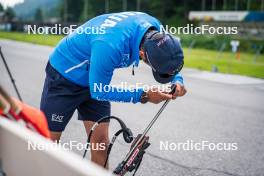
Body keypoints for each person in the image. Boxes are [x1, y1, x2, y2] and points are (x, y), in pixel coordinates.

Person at [40, 11, 186, 167]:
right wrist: (144, 95)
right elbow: (99, 92)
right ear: (142, 54)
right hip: (64, 76)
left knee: (101, 145)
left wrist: (177, 80)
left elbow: (171, 55)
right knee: (49, 144)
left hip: (96, 76)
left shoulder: (156, 30)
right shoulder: (110, 44)